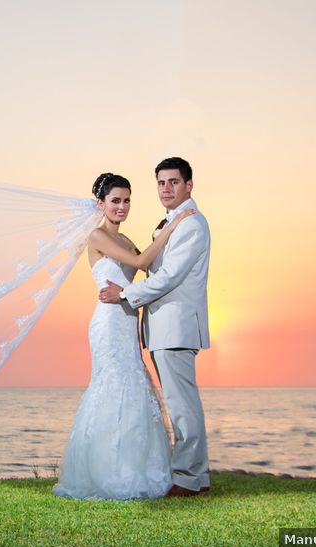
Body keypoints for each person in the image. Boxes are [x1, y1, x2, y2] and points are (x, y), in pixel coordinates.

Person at [52, 172, 194, 500]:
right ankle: (108, 472)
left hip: (128, 323)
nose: (122, 206)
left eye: (127, 200)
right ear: (100, 204)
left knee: (134, 390)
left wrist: (170, 234)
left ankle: (137, 468)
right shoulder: (97, 237)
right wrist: (173, 225)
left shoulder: (126, 240)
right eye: (115, 200)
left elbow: (150, 268)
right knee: (113, 388)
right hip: (108, 324)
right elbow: (143, 261)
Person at [99, 157, 211, 496]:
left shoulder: (190, 224)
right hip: (164, 327)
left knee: (182, 406)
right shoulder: (172, 222)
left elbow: (169, 276)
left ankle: (189, 479)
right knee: (181, 404)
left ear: (188, 185)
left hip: (176, 325)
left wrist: (125, 294)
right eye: (161, 182)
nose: (166, 188)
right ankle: (197, 476)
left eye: (173, 182)